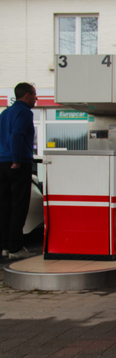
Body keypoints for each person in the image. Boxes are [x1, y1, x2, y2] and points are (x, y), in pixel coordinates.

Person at [0, 83, 37, 260]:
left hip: (1, 163)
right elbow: (17, 135)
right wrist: (16, 159)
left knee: (4, 205)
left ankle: (5, 247)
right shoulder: (24, 112)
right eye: (34, 95)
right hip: (18, 163)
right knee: (19, 205)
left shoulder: (5, 113)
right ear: (28, 95)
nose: (36, 98)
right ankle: (16, 248)